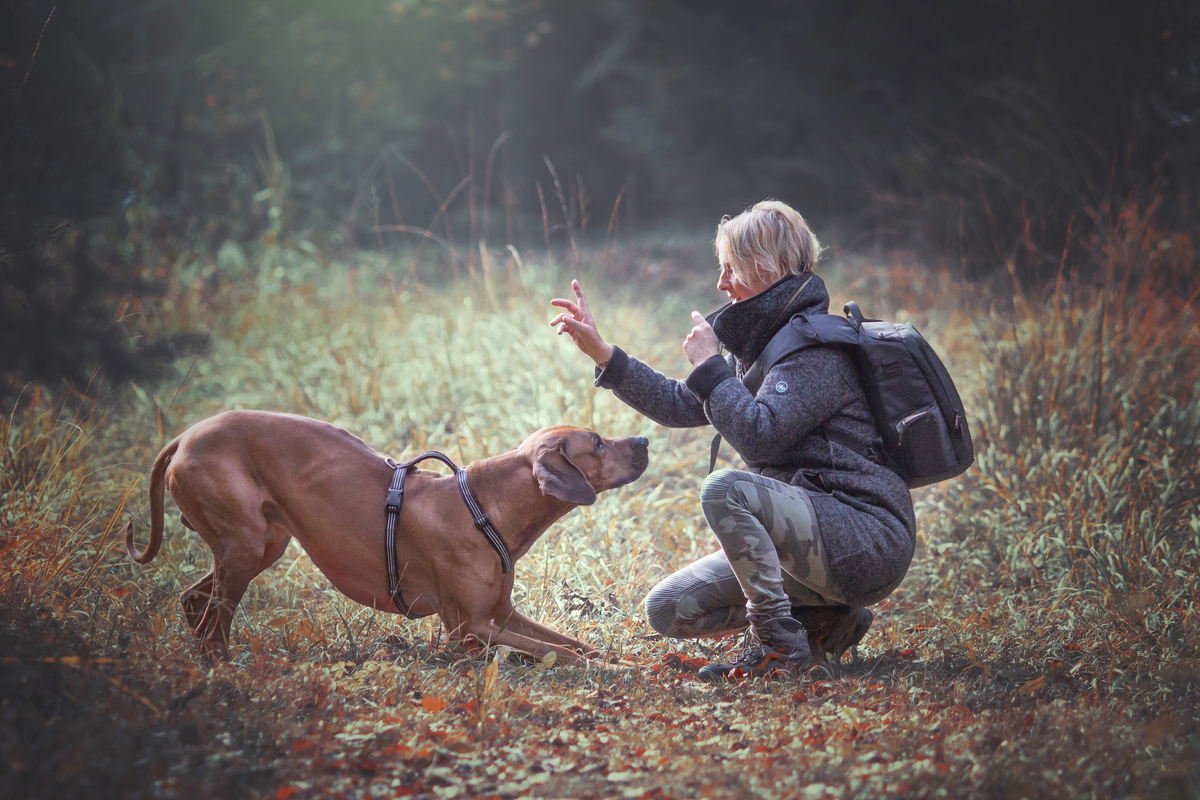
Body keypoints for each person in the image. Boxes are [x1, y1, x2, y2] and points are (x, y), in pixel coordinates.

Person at [549, 200, 915, 680]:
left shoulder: (815, 350)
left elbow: (759, 437)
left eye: (730, 269)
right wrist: (604, 353)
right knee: (670, 609)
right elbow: (684, 404)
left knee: (724, 488)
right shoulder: (768, 343)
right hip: (815, 536)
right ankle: (827, 621)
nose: (721, 284)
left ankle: (778, 647)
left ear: (767, 268)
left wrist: (711, 367)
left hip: (863, 538)